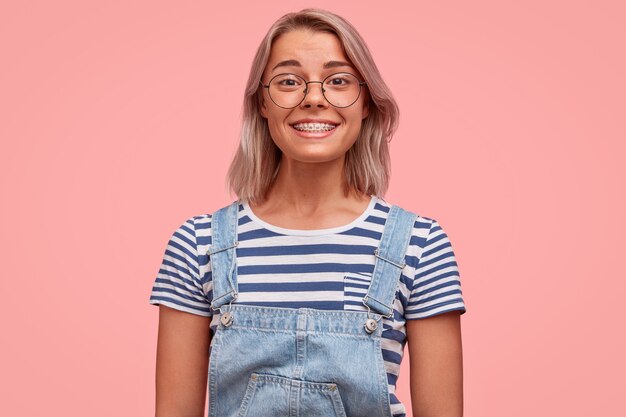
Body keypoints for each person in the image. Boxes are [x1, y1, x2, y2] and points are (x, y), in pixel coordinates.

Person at [149, 8, 466, 417]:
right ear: (262, 102)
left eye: (338, 81)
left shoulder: (420, 245)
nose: (314, 98)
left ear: (366, 101)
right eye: (288, 81)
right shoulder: (199, 245)